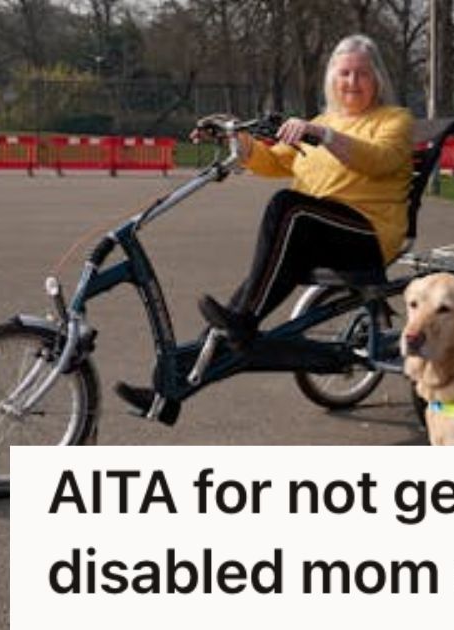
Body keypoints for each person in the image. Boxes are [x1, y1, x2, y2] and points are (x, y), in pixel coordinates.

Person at [116, 34, 414, 412]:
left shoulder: (394, 121)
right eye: (344, 73)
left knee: (287, 209)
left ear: (378, 80)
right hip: (312, 233)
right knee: (244, 299)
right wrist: (235, 138)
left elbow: (378, 160)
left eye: (361, 74)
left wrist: (324, 134)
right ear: (331, 79)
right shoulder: (323, 120)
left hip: (366, 235)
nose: (352, 82)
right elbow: (274, 161)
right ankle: (168, 390)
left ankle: (242, 323)